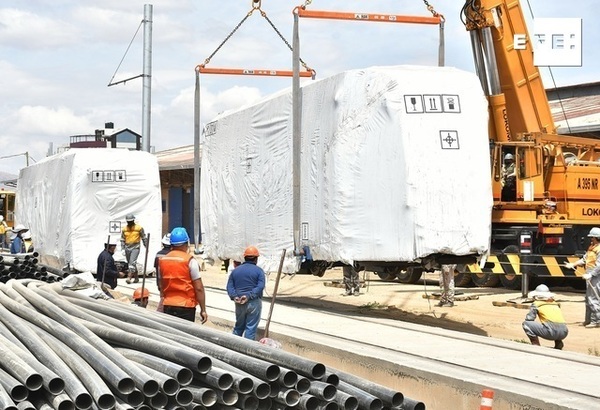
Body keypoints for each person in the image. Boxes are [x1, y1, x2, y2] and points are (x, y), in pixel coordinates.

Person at [158, 227, 208, 323]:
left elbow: (161, 285)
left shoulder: (162, 260)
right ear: (187, 243)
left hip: (168, 305)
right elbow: (199, 288)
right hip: (186, 306)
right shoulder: (190, 260)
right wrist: (203, 310)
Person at [226, 246, 266, 340]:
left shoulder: (236, 271)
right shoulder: (259, 271)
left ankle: (233, 347)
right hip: (253, 302)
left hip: (239, 302)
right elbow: (260, 286)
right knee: (250, 329)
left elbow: (229, 286)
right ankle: (246, 351)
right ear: (256, 259)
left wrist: (234, 296)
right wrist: (249, 296)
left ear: (245, 258)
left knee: (238, 327)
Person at [565, 227, 600, 327]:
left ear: (597, 238)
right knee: (588, 298)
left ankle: (596, 321)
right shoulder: (592, 248)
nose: (591, 239)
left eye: (592, 237)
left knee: (593, 298)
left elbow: (599, 265)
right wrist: (573, 264)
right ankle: (588, 320)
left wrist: (591, 274)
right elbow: (585, 259)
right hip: (590, 274)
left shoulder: (599, 249)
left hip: (596, 276)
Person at [522, 284, 568, 349]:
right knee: (555, 323)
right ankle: (558, 342)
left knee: (526, 324)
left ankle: (536, 345)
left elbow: (529, 319)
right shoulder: (555, 304)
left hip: (551, 332)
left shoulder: (536, 304)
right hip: (564, 331)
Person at [120, 213, 148, 284]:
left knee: (132, 262)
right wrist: (123, 248)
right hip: (127, 248)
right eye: (128, 221)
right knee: (131, 263)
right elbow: (122, 239)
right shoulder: (124, 229)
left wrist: (146, 246)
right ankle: (136, 278)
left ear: (133, 220)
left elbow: (143, 237)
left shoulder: (139, 228)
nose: (129, 222)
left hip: (135, 247)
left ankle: (129, 278)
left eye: (131, 221)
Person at [154, 234, 171, 312]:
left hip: (160, 283)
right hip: (169, 283)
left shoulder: (158, 254)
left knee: (163, 299)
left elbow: (156, 267)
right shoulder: (172, 255)